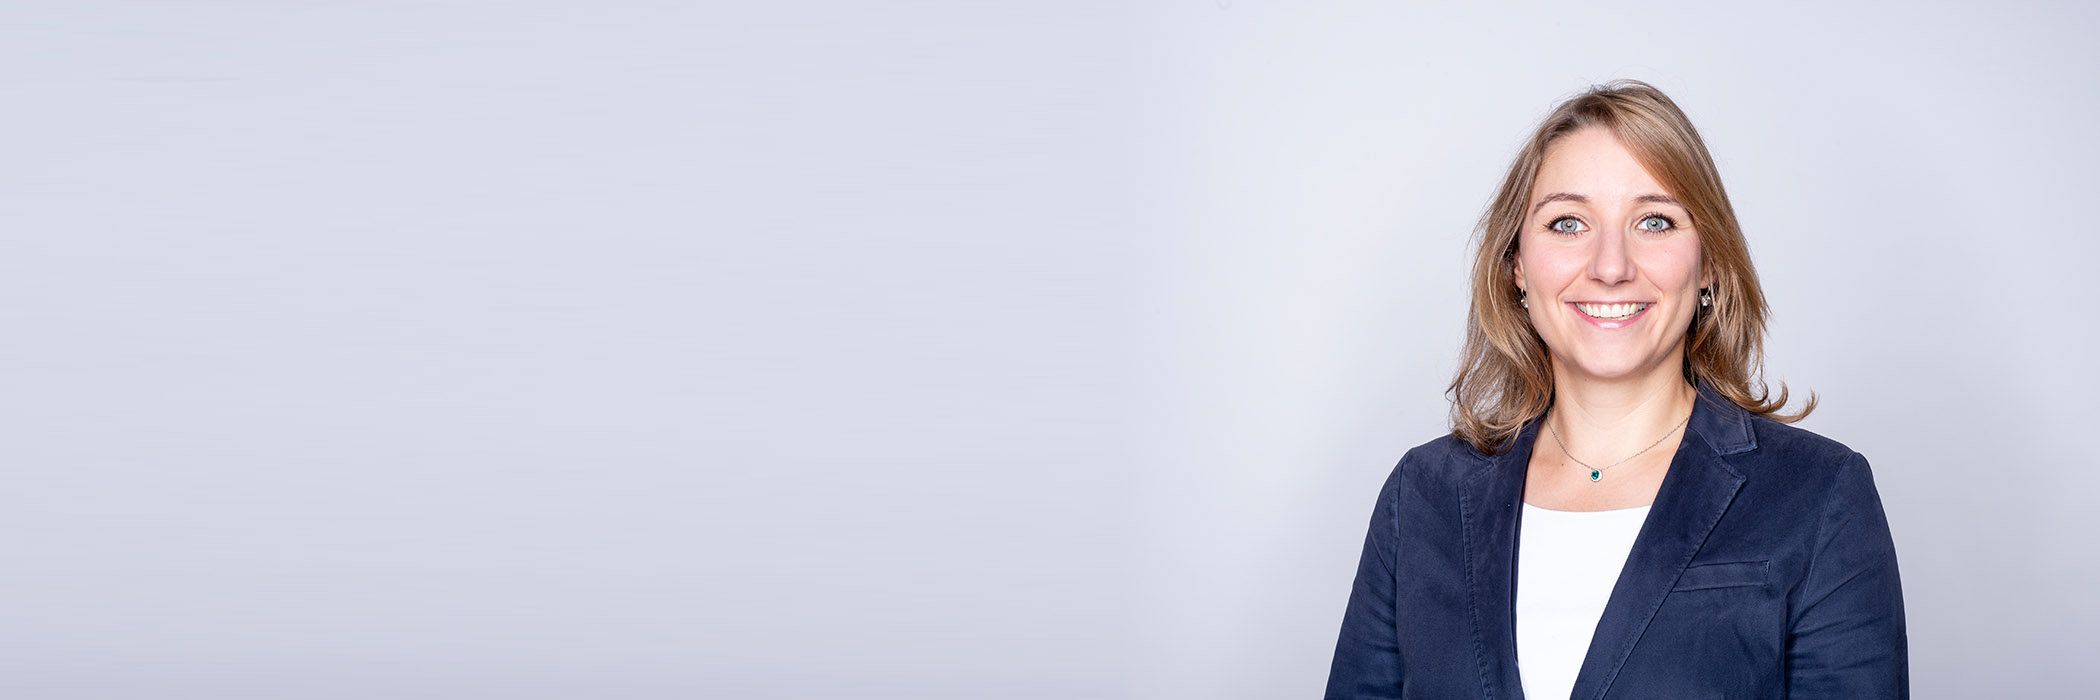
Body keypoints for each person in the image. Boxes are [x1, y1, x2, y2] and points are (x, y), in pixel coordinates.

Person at [1323, 80, 1907, 699]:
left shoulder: (1818, 494)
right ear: (1517, 263)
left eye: (1654, 222)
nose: (1610, 266)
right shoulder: (1422, 496)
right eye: (1567, 223)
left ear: (1708, 262)